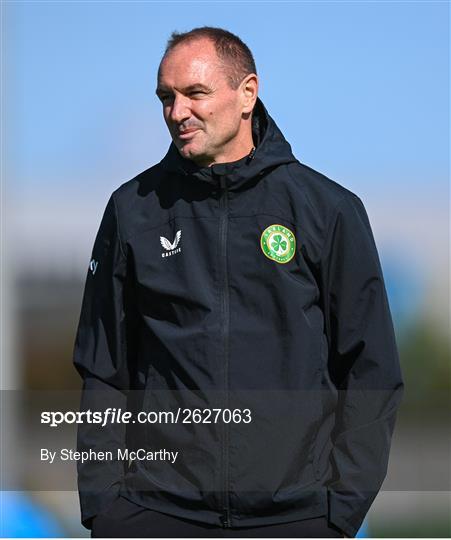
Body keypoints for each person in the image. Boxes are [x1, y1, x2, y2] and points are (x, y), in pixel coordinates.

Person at [73, 26, 404, 538]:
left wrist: (340, 509)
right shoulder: (132, 210)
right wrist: (106, 509)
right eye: (167, 97)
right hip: (156, 515)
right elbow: (102, 369)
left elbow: (370, 366)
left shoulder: (329, 210)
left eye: (195, 93)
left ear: (247, 93)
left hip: (296, 518)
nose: (177, 112)